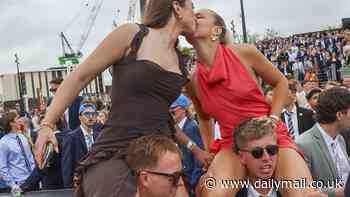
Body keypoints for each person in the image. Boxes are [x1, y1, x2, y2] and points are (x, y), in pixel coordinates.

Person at [34, 1, 211, 196]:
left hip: (160, 157)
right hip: (117, 149)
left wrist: (196, 150)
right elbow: (80, 76)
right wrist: (47, 124)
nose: (194, 14)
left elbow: (165, 117)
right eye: (191, 7)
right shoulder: (132, 35)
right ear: (176, 7)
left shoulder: (181, 61)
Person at [185, 9, 316, 197]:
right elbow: (204, 119)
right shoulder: (193, 81)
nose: (193, 18)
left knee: (304, 193)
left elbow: (281, 82)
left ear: (217, 31)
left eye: (199, 16)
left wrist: (273, 117)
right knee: (213, 193)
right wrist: (208, 151)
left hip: (269, 135)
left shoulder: (244, 52)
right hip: (232, 143)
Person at [296, 88, 350, 196]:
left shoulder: (340, 138)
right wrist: (342, 192)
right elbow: (302, 190)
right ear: (339, 115)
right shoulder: (303, 144)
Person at [234, 117, 282, 197]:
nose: (266, 157)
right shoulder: (230, 193)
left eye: (271, 149)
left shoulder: (294, 191)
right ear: (241, 157)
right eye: (257, 152)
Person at [170, 94, 205, 196]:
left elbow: (198, 160)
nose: (170, 112)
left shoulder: (191, 128)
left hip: (190, 183)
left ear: (183, 109)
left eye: (173, 108)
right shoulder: (176, 129)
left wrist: (194, 183)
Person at [61, 103, 101, 188]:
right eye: (86, 114)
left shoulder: (99, 136)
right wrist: (69, 189)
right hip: (80, 185)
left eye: (93, 114)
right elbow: (67, 167)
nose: (90, 117)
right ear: (80, 117)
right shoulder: (71, 138)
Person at [0, 112, 37, 193]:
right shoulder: (3, 143)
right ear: (11, 123)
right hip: (19, 184)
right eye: (17, 119)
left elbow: (31, 156)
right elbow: (3, 167)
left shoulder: (23, 137)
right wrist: (12, 184)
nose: (20, 121)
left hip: (33, 180)